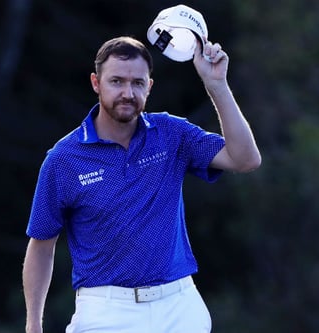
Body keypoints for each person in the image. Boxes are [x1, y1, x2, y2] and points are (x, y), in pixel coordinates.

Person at [22, 36, 261, 333]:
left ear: (149, 86)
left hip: (179, 306)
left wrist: (217, 86)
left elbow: (245, 159)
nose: (127, 92)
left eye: (137, 83)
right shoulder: (64, 159)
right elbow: (42, 245)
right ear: (96, 83)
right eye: (117, 82)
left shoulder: (172, 133)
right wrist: (34, 324)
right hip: (106, 311)